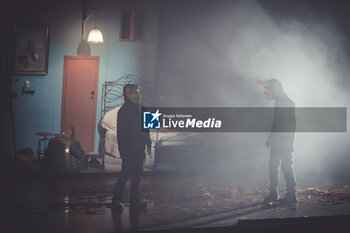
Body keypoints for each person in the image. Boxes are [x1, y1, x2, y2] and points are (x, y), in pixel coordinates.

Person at [112, 84, 152, 209]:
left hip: (138, 147)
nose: (137, 94)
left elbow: (147, 128)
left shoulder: (143, 108)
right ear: (127, 94)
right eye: (134, 92)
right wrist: (123, 149)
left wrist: (148, 142)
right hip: (128, 148)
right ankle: (116, 200)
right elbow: (121, 133)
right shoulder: (123, 111)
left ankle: (134, 201)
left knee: (137, 175)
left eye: (138, 91)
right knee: (126, 173)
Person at [260, 78, 297, 205]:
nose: (270, 93)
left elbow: (290, 124)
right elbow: (278, 123)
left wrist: (288, 142)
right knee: (279, 168)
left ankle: (286, 194)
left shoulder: (285, 103)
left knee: (282, 168)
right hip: (280, 141)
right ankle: (284, 194)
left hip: (283, 141)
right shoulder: (284, 102)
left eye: (271, 90)